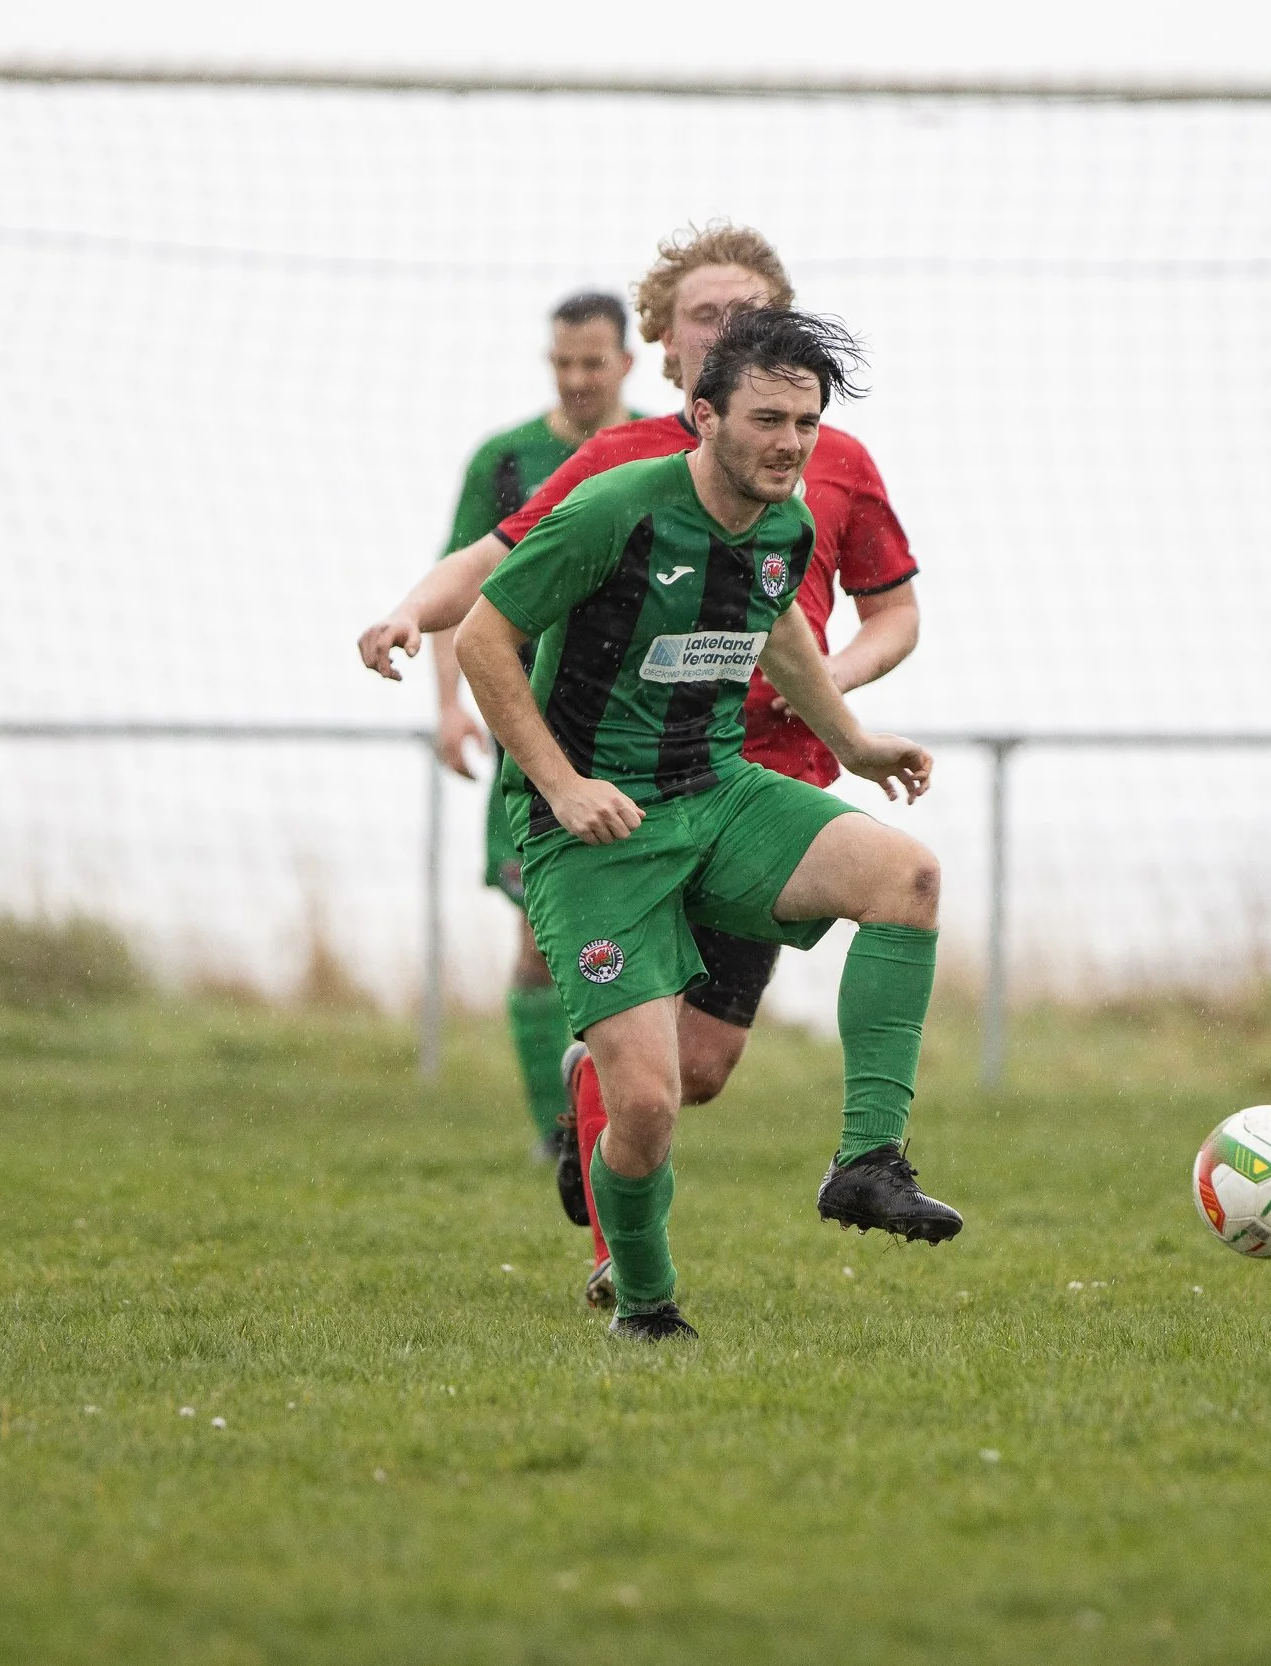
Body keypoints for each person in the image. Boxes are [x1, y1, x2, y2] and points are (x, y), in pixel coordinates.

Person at [360, 225, 924, 1307]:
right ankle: (630, 1277)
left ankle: (857, 1158)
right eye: (712, 317)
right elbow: (493, 573)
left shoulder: (820, 468)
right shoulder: (621, 472)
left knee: (700, 1071)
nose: (737, 331)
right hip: (616, 795)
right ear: (674, 356)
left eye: (756, 313)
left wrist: (844, 718)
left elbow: (861, 615)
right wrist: (405, 614)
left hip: (757, 786)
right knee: (645, 1085)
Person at [430, 292, 638, 1212]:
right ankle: (559, 1131)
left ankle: (628, 1111)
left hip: (632, 735)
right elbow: (461, 589)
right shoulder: (505, 460)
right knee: (537, 949)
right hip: (528, 733)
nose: (578, 378)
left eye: (593, 362)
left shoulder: (660, 455)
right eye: (563, 363)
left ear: (628, 361)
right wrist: (450, 707)